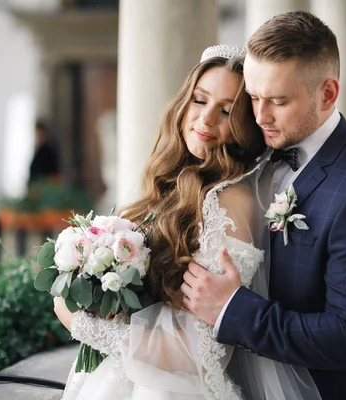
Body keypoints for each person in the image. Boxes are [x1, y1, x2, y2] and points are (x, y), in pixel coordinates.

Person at [53, 45, 322, 399]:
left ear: (244, 126)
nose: (207, 119)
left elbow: (203, 350)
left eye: (226, 111)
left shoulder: (228, 203)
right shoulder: (172, 181)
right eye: (200, 100)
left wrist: (82, 324)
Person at [182, 11, 346, 400]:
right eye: (253, 97)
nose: (260, 115)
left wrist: (233, 309)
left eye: (279, 101)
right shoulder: (252, 146)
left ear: (328, 94)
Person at [28, 120, 60, 185]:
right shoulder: (38, 149)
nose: (36, 135)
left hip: (44, 186)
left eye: (37, 132)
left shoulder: (48, 151)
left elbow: (53, 172)